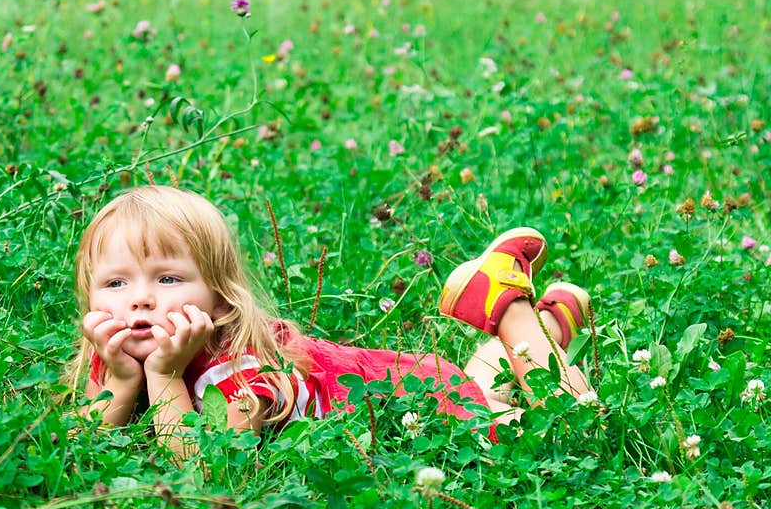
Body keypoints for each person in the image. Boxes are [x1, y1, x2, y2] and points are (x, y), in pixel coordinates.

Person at [66, 185, 594, 460]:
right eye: (115, 284)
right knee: (484, 384)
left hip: (409, 400)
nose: (139, 302)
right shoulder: (120, 346)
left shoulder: (239, 370)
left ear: (221, 298)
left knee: (570, 427)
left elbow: (206, 466)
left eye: (167, 280)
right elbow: (85, 447)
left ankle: (513, 313)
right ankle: (547, 323)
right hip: (419, 377)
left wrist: (162, 376)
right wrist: (121, 381)